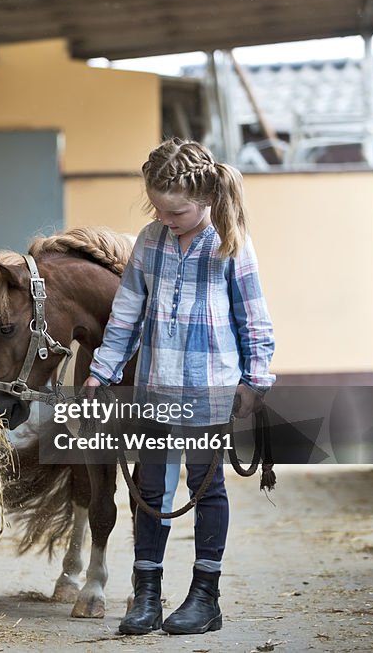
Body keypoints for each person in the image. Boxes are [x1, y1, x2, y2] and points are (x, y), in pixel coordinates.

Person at [83, 138, 275, 635]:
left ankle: (204, 597)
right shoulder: (150, 241)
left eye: (178, 210)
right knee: (150, 491)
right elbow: (126, 312)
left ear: (206, 198)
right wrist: (102, 370)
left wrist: (256, 380)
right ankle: (146, 594)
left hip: (211, 388)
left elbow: (253, 317)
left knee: (206, 488)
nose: (167, 217)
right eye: (160, 209)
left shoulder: (231, 242)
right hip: (154, 388)